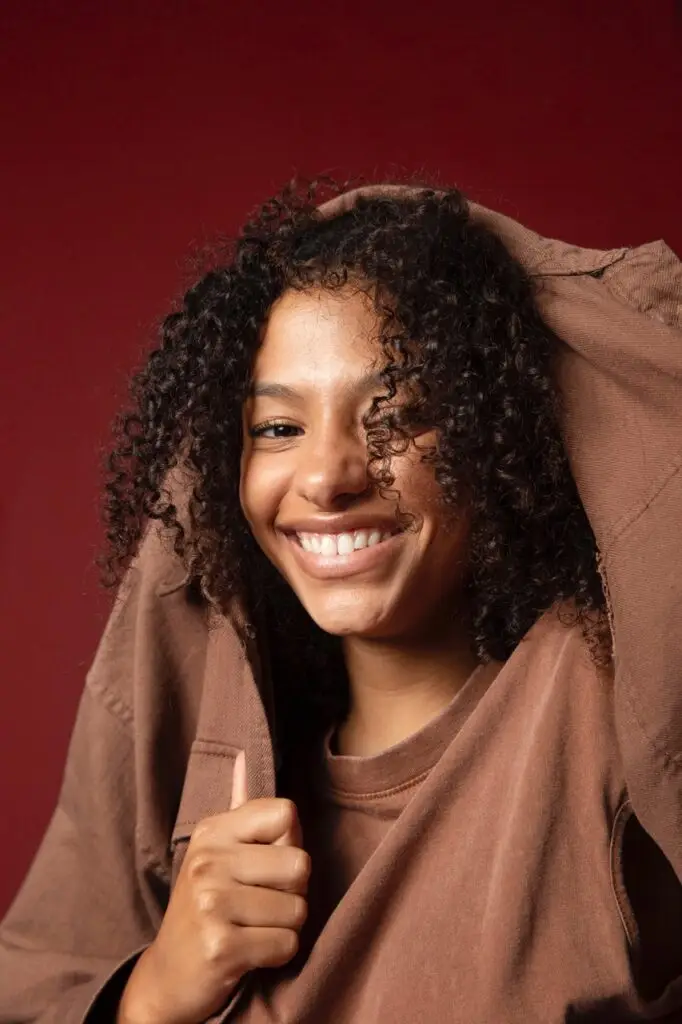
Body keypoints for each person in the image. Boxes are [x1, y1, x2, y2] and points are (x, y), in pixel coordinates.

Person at [1, 181, 681, 1024]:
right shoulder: (211, 748)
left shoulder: (606, 706)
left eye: (397, 415)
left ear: (497, 436)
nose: (326, 477)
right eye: (278, 428)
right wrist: (148, 999)